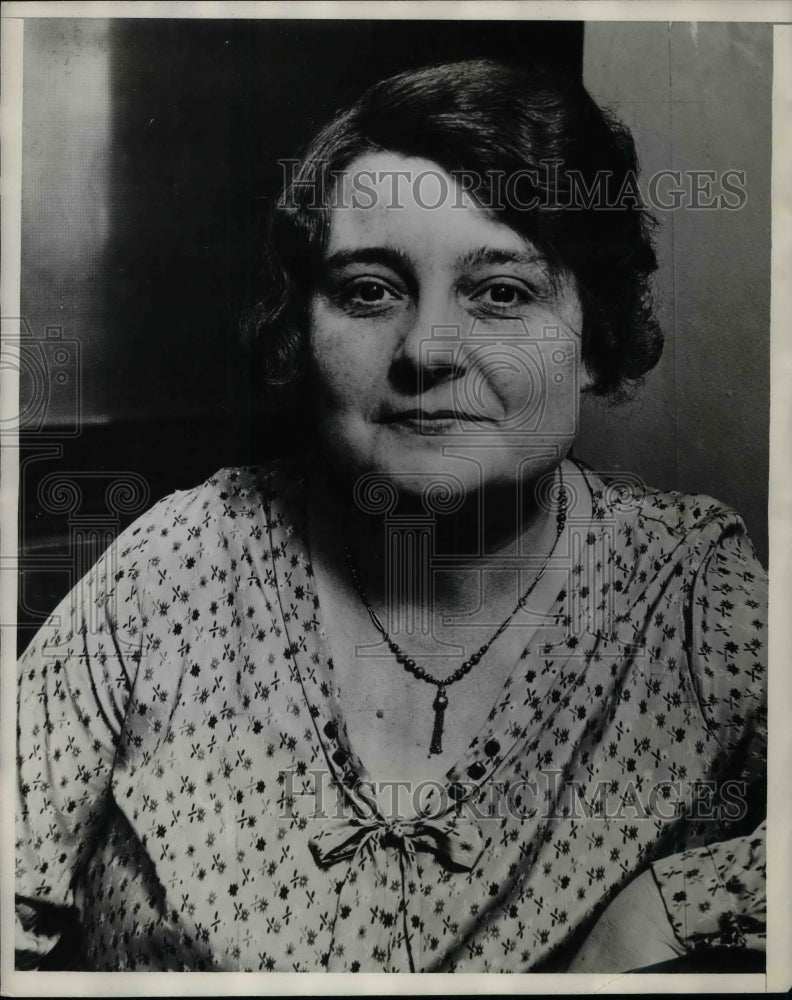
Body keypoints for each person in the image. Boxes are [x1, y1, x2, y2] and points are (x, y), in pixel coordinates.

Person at [16, 59, 766, 973]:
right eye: (371, 290)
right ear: (303, 329)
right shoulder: (179, 563)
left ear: (595, 344)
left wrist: (665, 909)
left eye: (503, 293)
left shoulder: (690, 593)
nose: (427, 351)